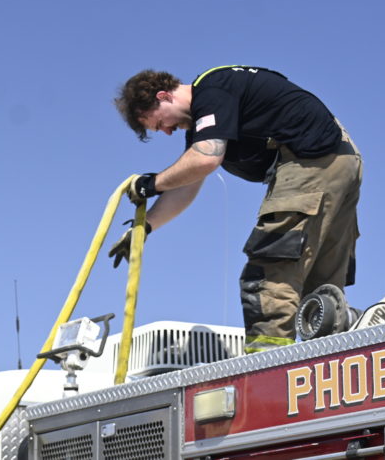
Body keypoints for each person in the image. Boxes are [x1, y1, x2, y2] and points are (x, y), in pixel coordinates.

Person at [111, 65, 362, 352]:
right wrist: (146, 226)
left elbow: (205, 159)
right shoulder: (209, 114)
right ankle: (328, 356)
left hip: (310, 162)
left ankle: (267, 360)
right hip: (339, 160)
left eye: (159, 124)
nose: (167, 131)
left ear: (163, 96)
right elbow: (187, 183)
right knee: (319, 281)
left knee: (271, 270)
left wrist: (151, 184)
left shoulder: (212, 90)